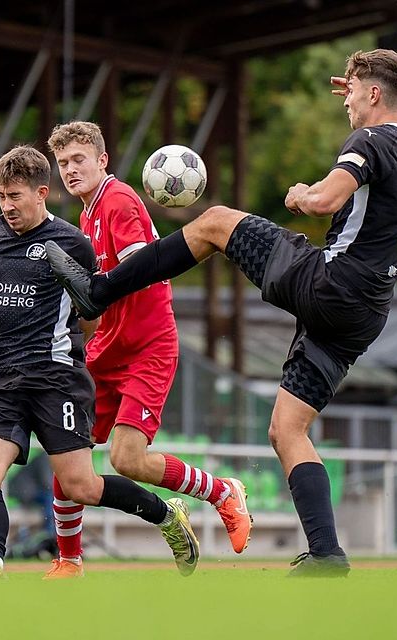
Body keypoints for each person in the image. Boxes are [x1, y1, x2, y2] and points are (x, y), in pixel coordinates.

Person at [46, 49, 397, 577]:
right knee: (287, 430)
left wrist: (302, 194)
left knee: (215, 223)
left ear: (374, 94)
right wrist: (362, 95)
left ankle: (101, 289)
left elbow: (326, 199)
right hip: (366, 311)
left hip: (330, 283)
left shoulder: (369, 139)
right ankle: (326, 554)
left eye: (355, 90)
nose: (348, 102)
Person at [0, 145, 199, 580]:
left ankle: (165, 517)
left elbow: (92, 316)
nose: (7, 206)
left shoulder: (72, 243)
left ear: (41, 192)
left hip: (55, 379)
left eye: (16, 196)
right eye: (1, 196)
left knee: (80, 485)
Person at [45, 121, 252, 578]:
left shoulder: (118, 200)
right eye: (63, 164)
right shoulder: (87, 214)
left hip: (148, 346)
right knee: (67, 450)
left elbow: (143, 266)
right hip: (108, 347)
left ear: (103, 161)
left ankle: (222, 493)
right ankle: (69, 559)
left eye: (79, 160)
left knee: (127, 459)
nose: (70, 170)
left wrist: (94, 291)